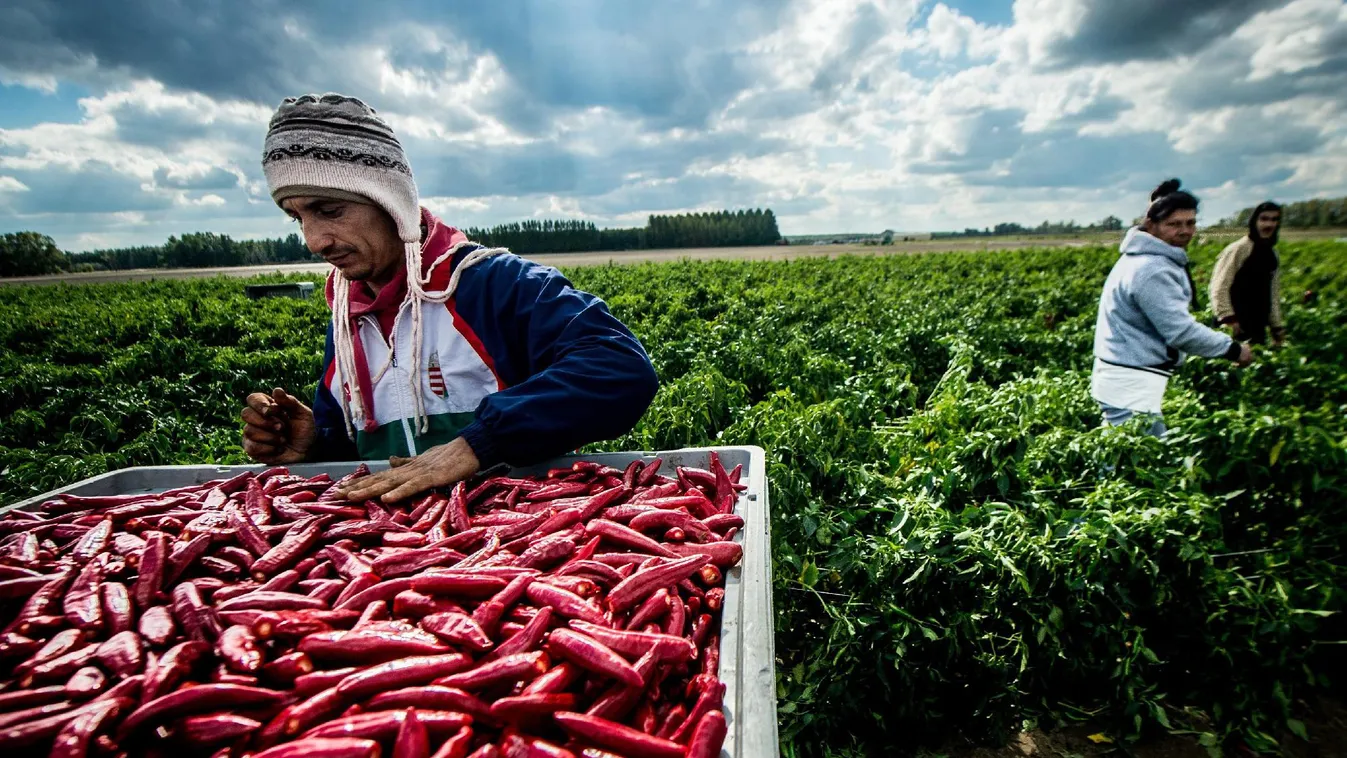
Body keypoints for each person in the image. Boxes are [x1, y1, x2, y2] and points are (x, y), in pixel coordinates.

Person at [239, 93, 659, 503]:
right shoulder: (349, 319)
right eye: (298, 218)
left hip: (513, 542)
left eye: (329, 211)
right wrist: (315, 448)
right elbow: (367, 467)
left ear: (392, 202)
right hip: (396, 557)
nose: (314, 241)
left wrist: (478, 443)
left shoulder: (493, 284)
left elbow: (620, 367)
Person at [1090, 179, 1253, 436]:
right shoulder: (1151, 269)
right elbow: (1180, 331)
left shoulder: (1144, 259)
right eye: (1174, 224)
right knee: (1143, 463)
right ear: (1152, 226)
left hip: (1125, 377)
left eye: (1190, 223)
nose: (1185, 231)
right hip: (1130, 381)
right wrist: (1233, 350)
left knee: (1126, 460)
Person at [1209, 201, 1285, 346]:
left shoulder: (1272, 254)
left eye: (1274, 219)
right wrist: (1228, 319)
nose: (1269, 224)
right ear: (1254, 221)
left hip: (1257, 325)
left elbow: (1272, 294)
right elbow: (1219, 286)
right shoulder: (1239, 249)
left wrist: (1277, 327)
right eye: (1264, 219)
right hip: (1234, 324)